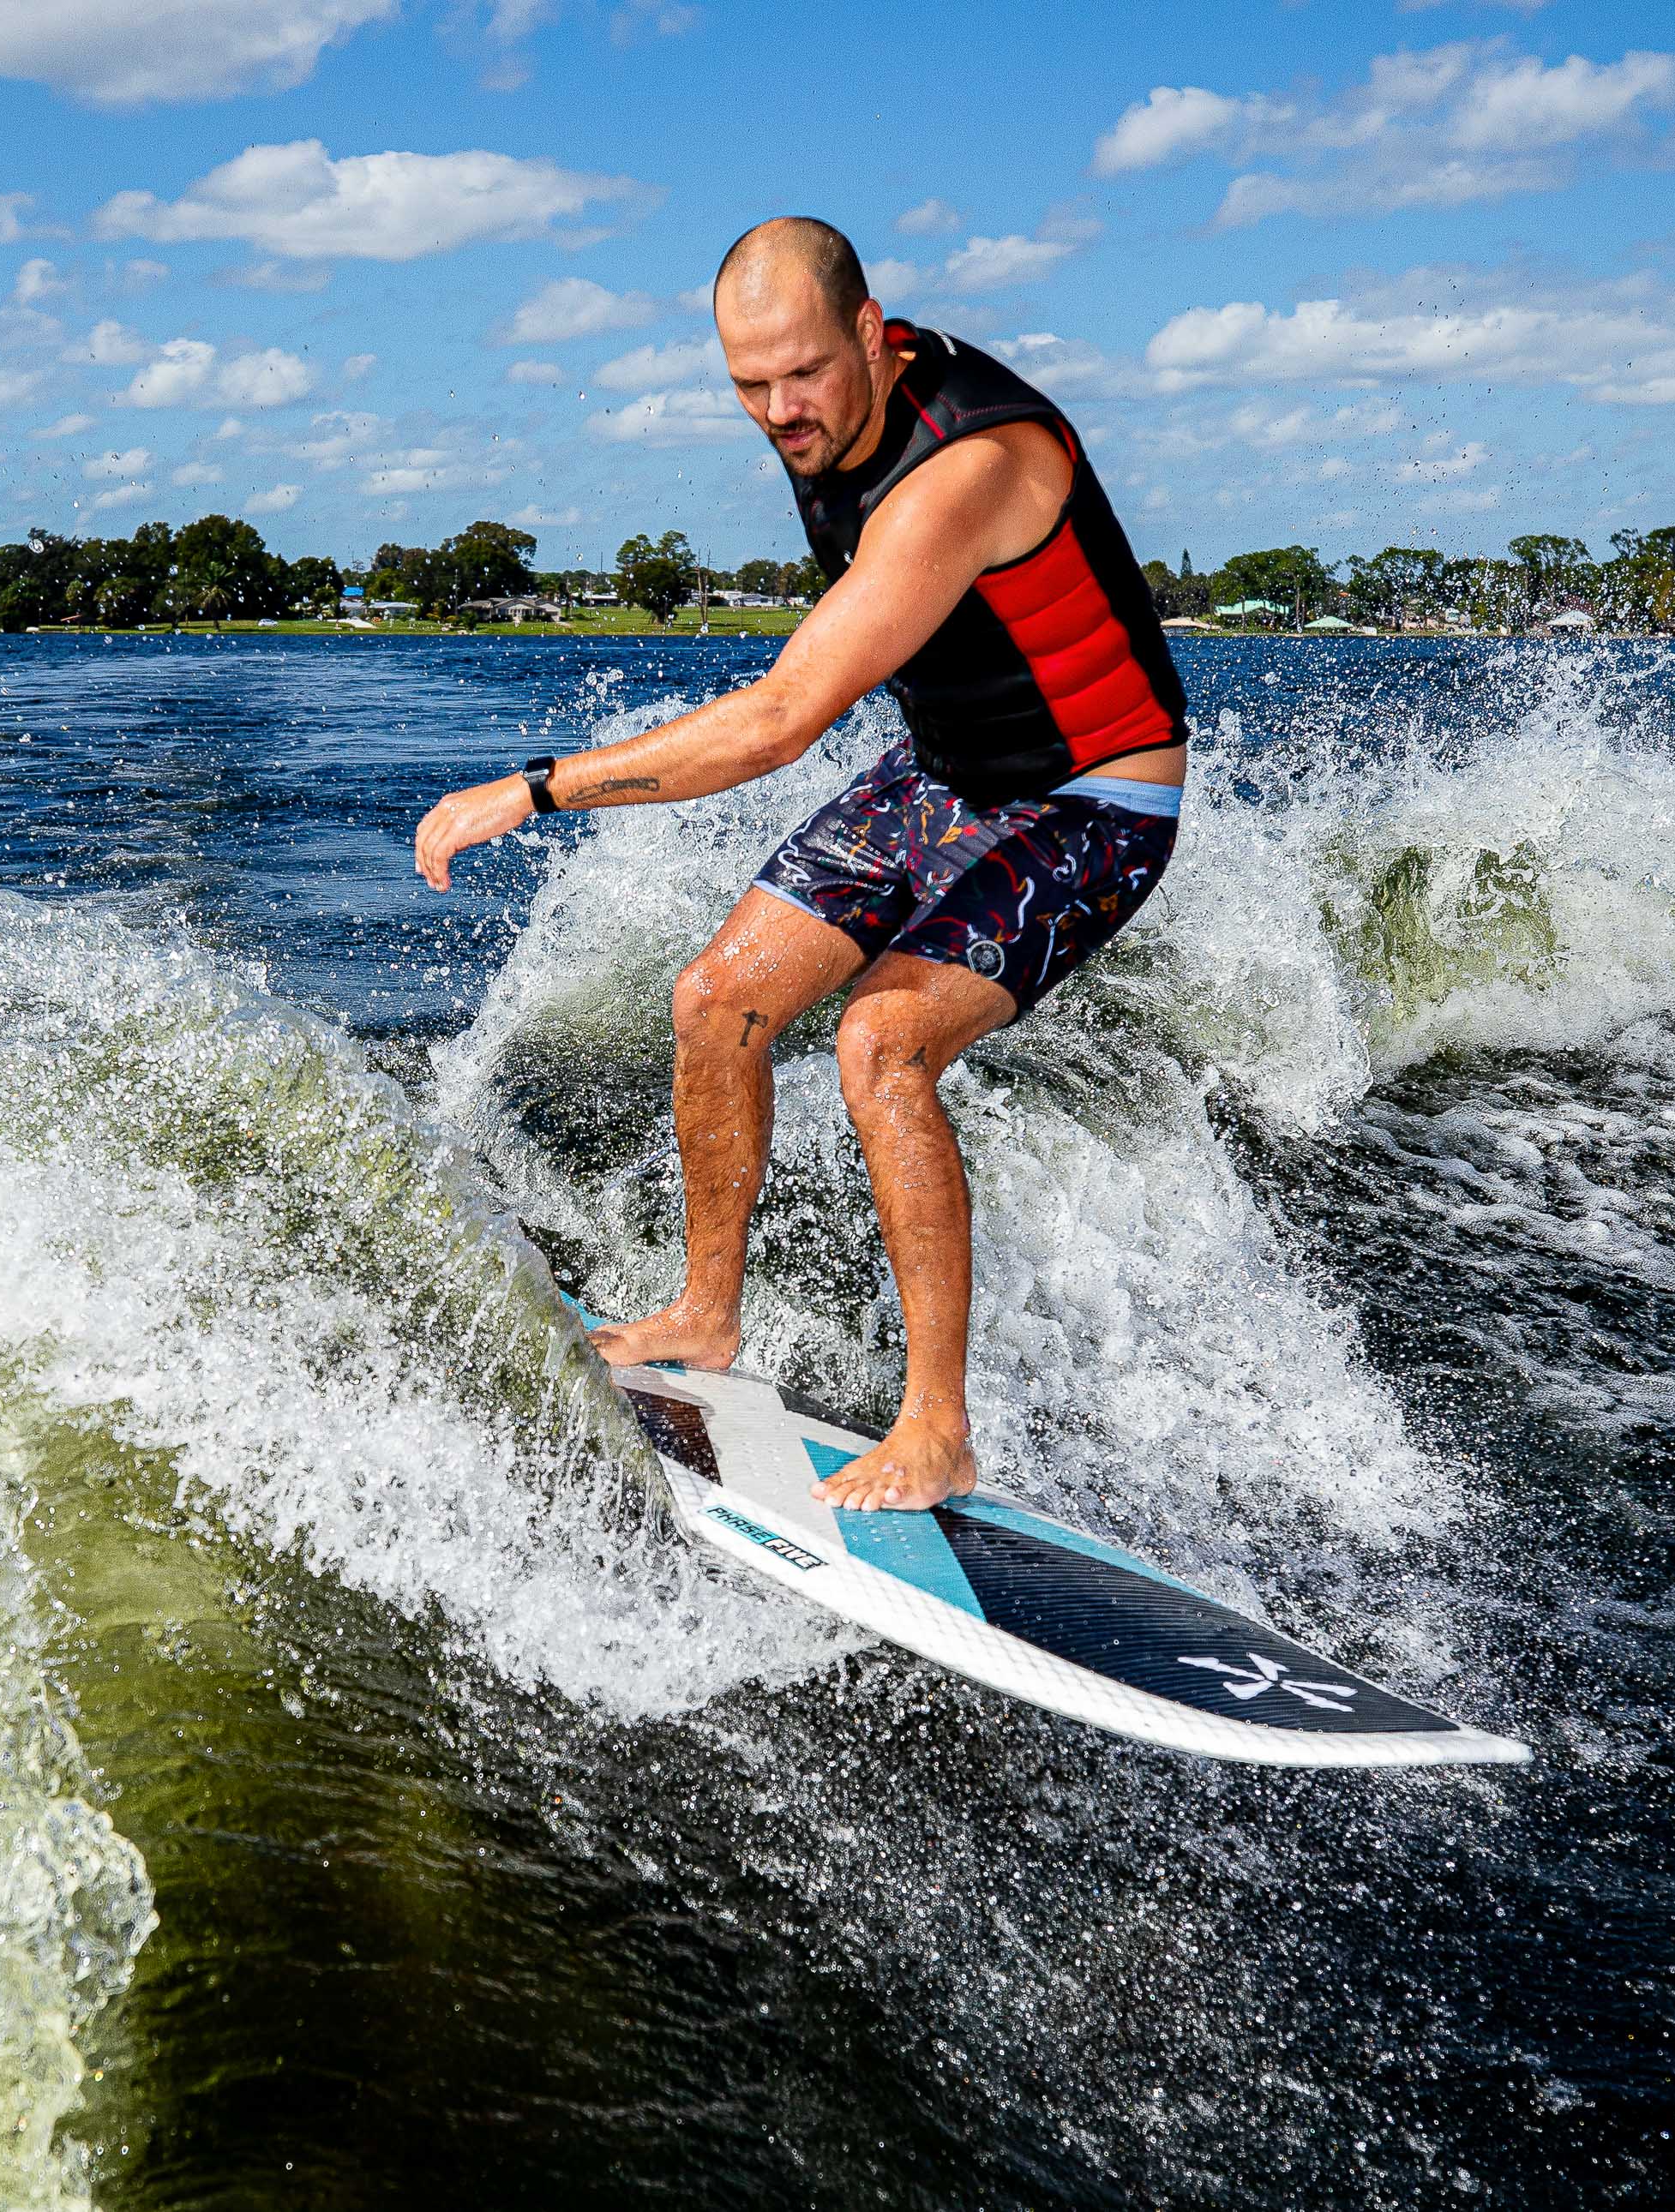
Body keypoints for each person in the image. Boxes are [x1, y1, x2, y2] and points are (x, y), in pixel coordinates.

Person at [412, 216, 1190, 1512]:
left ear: (878, 336)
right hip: (947, 771)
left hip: (1091, 793)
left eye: (806, 375)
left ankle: (936, 1427)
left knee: (880, 1044)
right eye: (747, 384)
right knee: (718, 1001)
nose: (780, 410)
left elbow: (781, 720)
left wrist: (536, 787)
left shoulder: (968, 470)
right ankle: (704, 1316)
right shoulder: (824, 409)